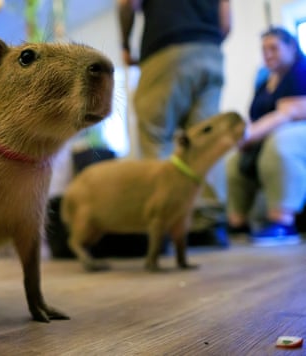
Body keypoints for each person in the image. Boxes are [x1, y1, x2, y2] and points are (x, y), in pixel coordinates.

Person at [117, 0, 231, 245]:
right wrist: (204, 40)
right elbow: (225, 21)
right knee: (207, 141)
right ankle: (210, 224)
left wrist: (125, 45)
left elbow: (127, 4)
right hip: (210, 50)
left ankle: (164, 227)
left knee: (155, 134)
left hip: (166, 48)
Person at [227, 27, 306, 246]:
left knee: (281, 143)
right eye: (264, 49)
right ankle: (238, 223)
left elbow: (289, 112)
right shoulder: (264, 83)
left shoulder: (301, 70)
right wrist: (243, 139)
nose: (268, 54)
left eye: (274, 48)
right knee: (234, 161)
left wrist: (249, 135)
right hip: (271, 134)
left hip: (297, 133)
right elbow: (253, 118)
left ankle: (283, 222)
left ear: (291, 47)